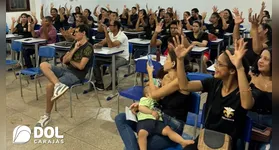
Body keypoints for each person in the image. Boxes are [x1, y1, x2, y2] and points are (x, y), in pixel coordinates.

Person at [173, 36, 253, 150]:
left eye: (220, 64)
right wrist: (180, 60)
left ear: (232, 70)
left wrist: (239, 67)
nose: (215, 66)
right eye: (216, 62)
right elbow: (184, 86)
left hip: (227, 144)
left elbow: (247, 104)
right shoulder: (213, 83)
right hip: (206, 139)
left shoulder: (243, 91)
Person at [115, 49, 194, 150]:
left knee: (137, 146)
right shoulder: (165, 77)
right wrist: (140, 106)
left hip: (172, 125)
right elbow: (155, 98)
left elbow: (154, 94)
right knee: (121, 118)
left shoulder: (180, 81)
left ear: (173, 63)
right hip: (156, 118)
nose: (164, 61)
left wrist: (150, 75)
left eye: (166, 59)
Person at [35, 24, 94, 127]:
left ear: (83, 33)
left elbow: (80, 67)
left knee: (49, 86)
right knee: (43, 65)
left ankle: (47, 115)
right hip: (65, 69)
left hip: (76, 75)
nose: (73, 34)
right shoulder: (75, 43)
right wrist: (74, 49)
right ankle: (58, 84)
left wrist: (70, 59)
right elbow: (64, 60)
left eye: (76, 32)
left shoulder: (88, 48)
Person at [93, 20, 129, 90]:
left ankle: (114, 82)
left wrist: (106, 32)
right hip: (111, 56)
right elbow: (102, 42)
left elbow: (110, 45)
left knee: (112, 66)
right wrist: (97, 45)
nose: (109, 27)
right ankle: (99, 83)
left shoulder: (122, 36)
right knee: (96, 62)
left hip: (122, 58)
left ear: (116, 27)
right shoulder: (110, 34)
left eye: (110, 26)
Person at [248, 49, 272, 150]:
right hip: (249, 118)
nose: (260, 61)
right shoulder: (250, 75)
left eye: (266, 59)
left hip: (271, 122)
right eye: (260, 57)